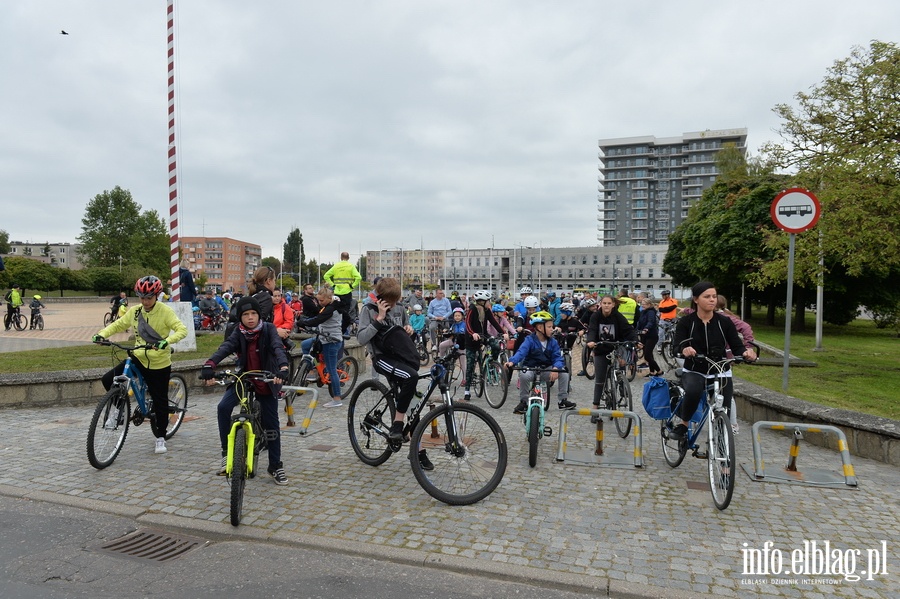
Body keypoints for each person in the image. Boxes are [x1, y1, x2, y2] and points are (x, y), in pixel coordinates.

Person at [92, 276, 188, 454]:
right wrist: (101, 334)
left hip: (159, 362)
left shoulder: (165, 312)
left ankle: (160, 437)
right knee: (108, 379)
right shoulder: (135, 311)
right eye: (141, 297)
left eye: (148, 297)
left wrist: (166, 341)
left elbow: (182, 329)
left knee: (160, 402)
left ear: (157, 295)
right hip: (138, 356)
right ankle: (118, 410)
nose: (144, 301)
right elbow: (118, 324)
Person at [200, 296, 290, 484]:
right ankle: (226, 452)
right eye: (246, 314)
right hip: (244, 377)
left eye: (253, 314)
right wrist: (210, 363)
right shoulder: (238, 332)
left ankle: (275, 466)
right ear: (240, 317)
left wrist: (283, 368)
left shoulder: (268, 329)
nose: (250, 318)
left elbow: (277, 347)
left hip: (266, 378)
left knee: (272, 424)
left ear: (259, 315)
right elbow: (226, 347)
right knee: (223, 408)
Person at [357, 278, 433, 470]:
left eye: (394, 300)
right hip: (382, 357)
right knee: (410, 378)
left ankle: (417, 451)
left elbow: (405, 332)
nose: (392, 305)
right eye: (389, 301)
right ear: (381, 297)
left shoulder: (399, 309)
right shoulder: (368, 310)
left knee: (413, 406)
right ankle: (398, 427)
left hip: (400, 356)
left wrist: (409, 331)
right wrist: (379, 319)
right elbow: (361, 338)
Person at [668, 281, 756, 441]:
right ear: (696, 299)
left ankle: (724, 455)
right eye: (707, 296)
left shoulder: (724, 322)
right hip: (695, 369)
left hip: (720, 369)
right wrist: (684, 349)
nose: (712, 300)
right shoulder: (687, 322)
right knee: (693, 391)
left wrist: (747, 353)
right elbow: (676, 347)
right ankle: (684, 424)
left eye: (714, 296)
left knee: (726, 409)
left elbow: (737, 346)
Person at [506, 311, 575, 414]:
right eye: (549, 327)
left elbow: (558, 358)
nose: (552, 329)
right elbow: (521, 352)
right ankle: (524, 402)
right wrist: (511, 362)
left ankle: (562, 400)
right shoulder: (529, 340)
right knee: (523, 375)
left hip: (546, 370)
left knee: (564, 373)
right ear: (539, 327)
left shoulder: (553, 342)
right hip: (531, 369)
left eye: (552, 327)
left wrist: (556, 368)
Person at [586, 295, 638, 409]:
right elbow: (592, 329)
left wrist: (635, 340)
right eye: (604, 303)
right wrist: (591, 341)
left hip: (616, 346)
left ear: (613, 304)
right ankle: (595, 406)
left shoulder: (618, 316)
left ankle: (622, 386)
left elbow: (628, 329)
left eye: (609, 303)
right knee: (600, 378)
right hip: (601, 348)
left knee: (622, 365)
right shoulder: (596, 316)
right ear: (600, 304)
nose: (606, 305)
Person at [295, 287, 345, 407]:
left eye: (321, 301)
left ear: (329, 298)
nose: (319, 303)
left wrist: (304, 322)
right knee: (305, 344)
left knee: (332, 369)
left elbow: (318, 319)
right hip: (323, 337)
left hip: (331, 341)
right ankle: (312, 368)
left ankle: (337, 399)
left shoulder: (332, 309)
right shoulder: (329, 305)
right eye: (318, 300)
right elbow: (318, 318)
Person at [462, 290, 507, 401]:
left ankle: (491, 362)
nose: (489, 303)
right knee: (471, 364)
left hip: (483, 336)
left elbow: (494, 322)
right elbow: (467, 324)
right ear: (482, 301)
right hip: (472, 339)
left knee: (496, 345)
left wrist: (504, 333)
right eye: (488, 301)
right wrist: (473, 333)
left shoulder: (487, 311)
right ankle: (467, 390)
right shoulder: (472, 309)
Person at [323, 252, 362, 333]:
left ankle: (336, 329)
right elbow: (358, 277)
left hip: (337, 292)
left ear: (341, 257)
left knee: (337, 311)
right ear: (348, 258)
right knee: (346, 313)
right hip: (347, 292)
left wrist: (333, 285)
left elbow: (326, 276)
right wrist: (352, 286)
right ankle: (343, 331)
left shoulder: (336, 266)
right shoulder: (351, 266)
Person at [635, 297, 663, 376]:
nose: (642, 306)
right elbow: (640, 322)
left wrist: (646, 328)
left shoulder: (651, 312)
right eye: (642, 304)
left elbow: (651, 321)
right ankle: (652, 372)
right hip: (644, 336)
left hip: (651, 335)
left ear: (649, 305)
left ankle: (659, 370)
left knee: (647, 356)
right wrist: (636, 330)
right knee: (649, 355)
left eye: (644, 304)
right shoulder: (643, 312)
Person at [438, 307, 467, 377]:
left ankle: (464, 378)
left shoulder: (464, 324)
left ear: (462, 316)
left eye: (459, 315)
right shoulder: (453, 325)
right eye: (455, 316)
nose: (457, 317)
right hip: (453, 341)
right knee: (441, 345)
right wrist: (446, 331)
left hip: (461, 344)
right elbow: (450, 332)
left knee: (462, 362)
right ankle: (442, 358)